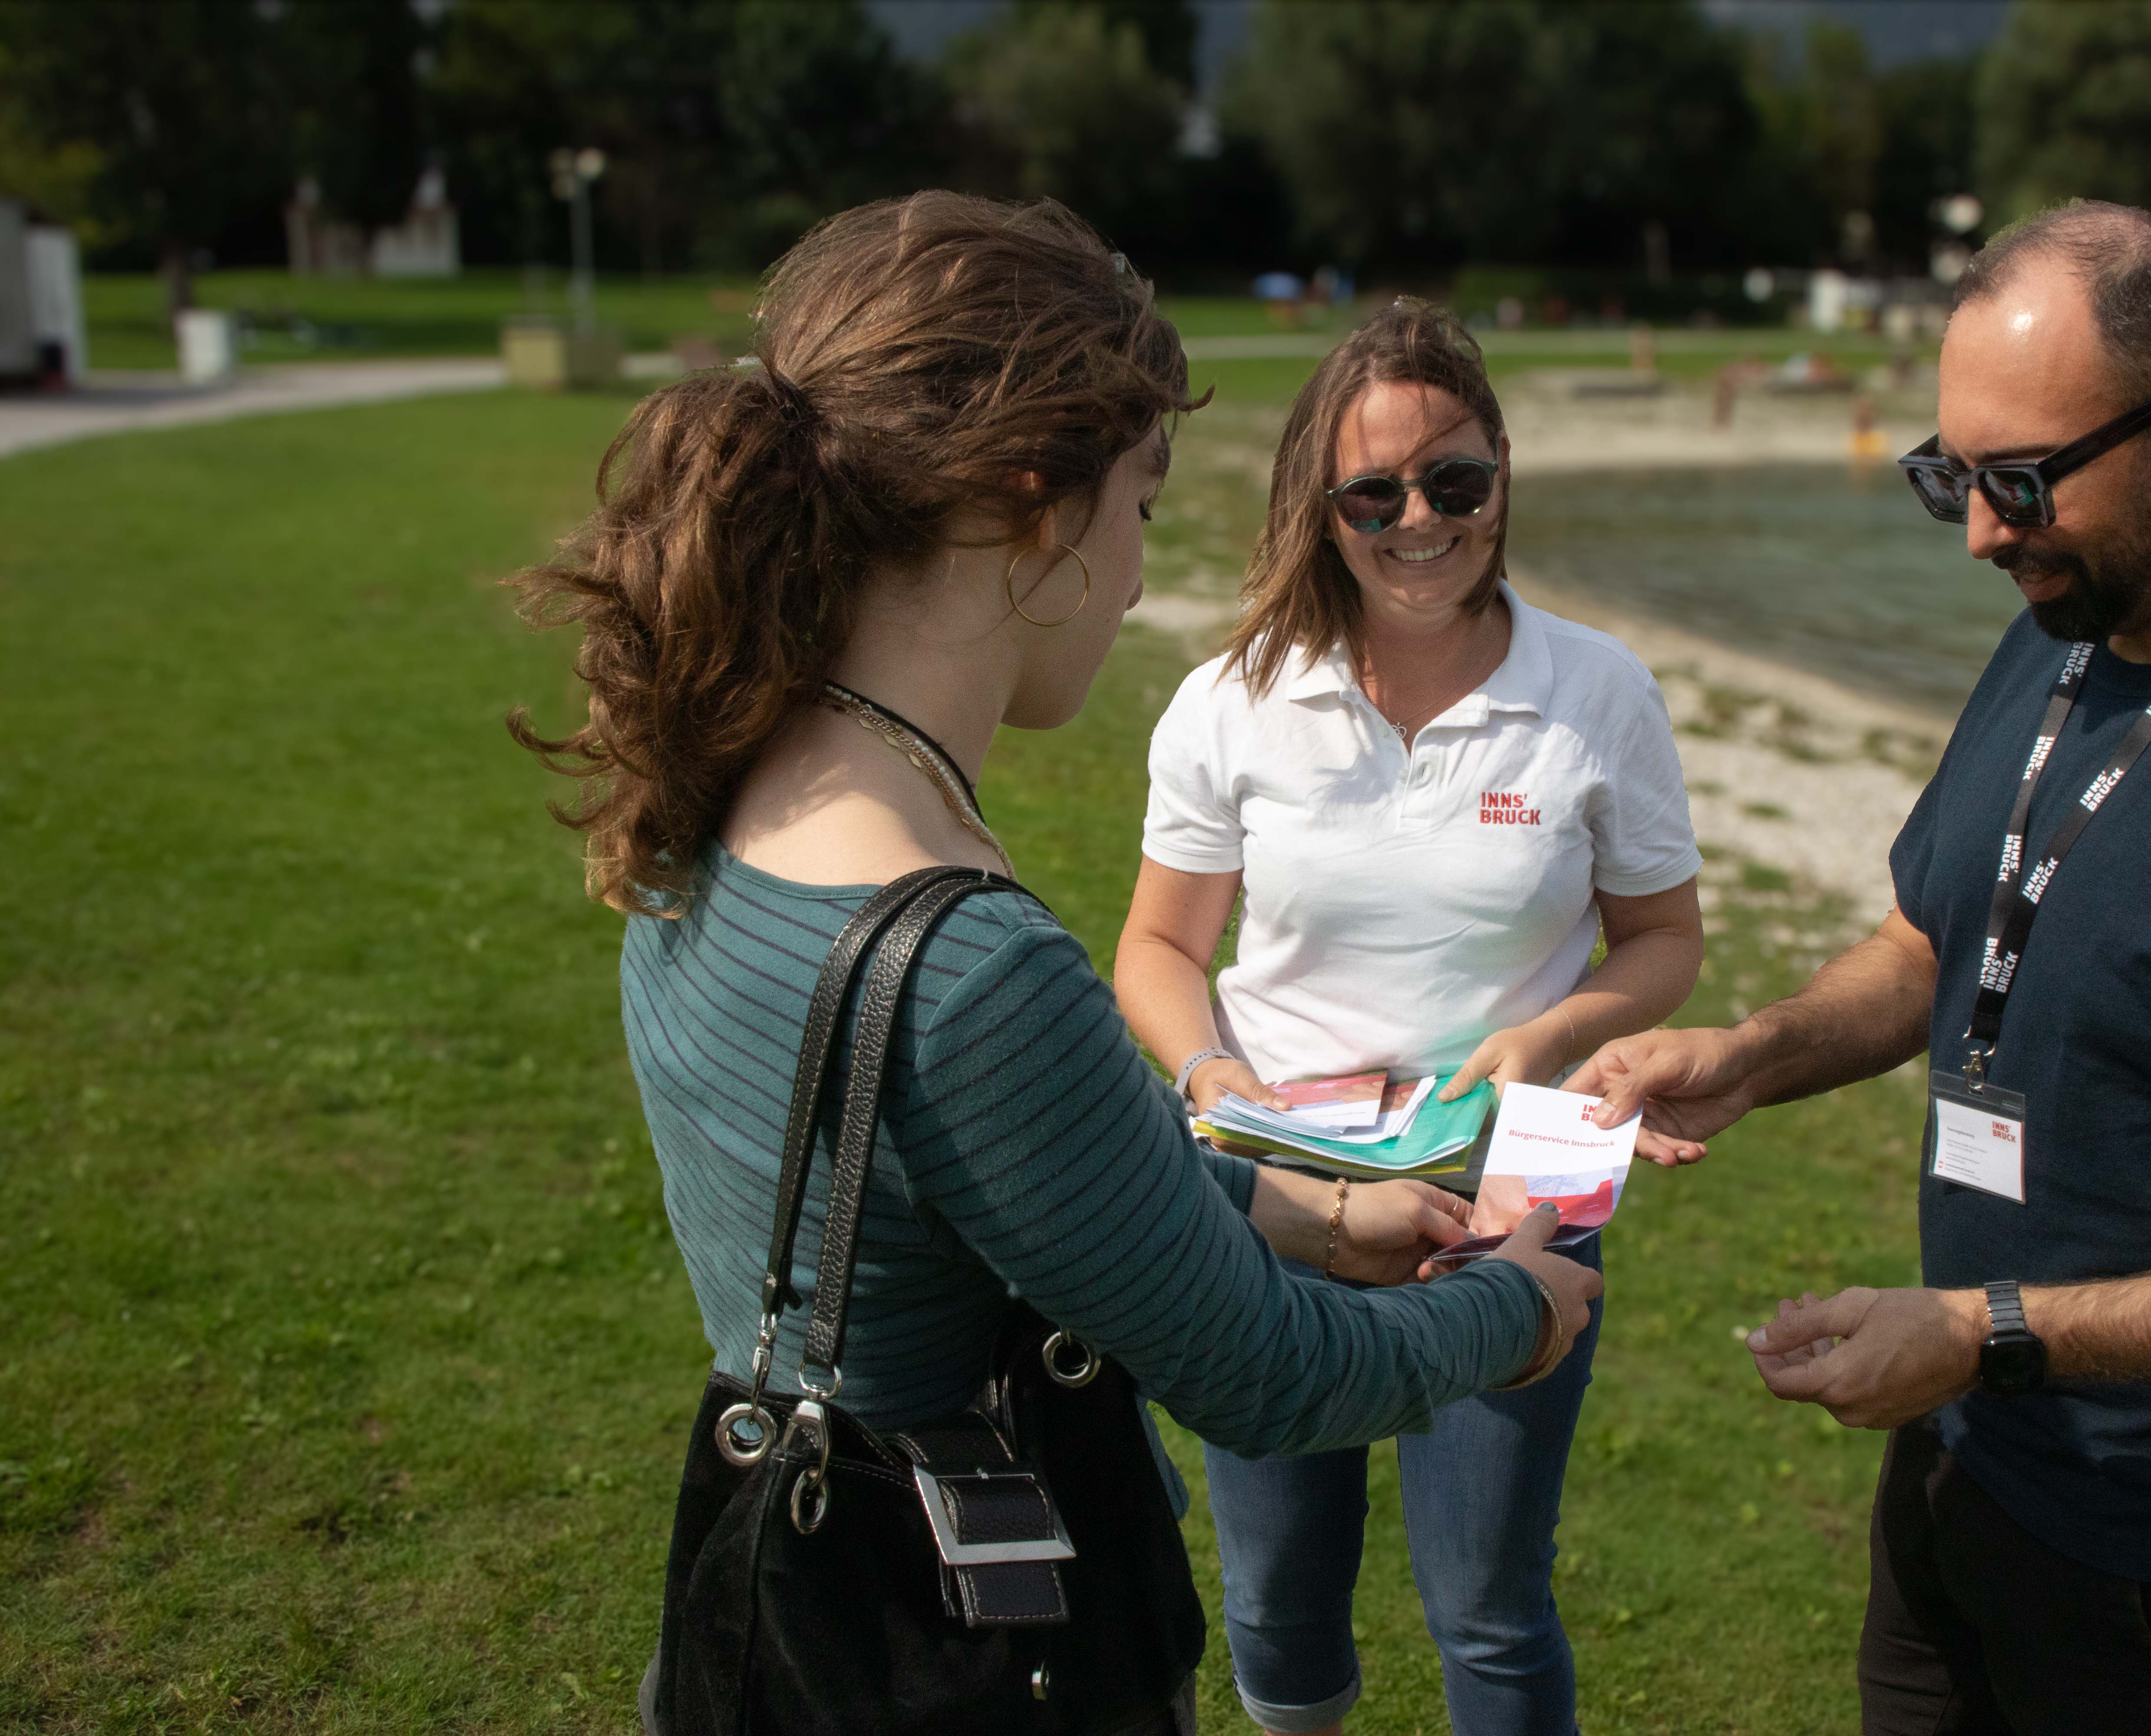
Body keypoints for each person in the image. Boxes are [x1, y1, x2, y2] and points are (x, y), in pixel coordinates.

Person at [507, 194, 1601, 1735]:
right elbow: (1268, 1377)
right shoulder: (970, 964)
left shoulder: (724, 787)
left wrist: (1318, 1211)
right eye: (1140, 508)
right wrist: (1522, 1311)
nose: (1144, 576)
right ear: (1034, 508)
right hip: (963, 1652)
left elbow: (1028, 1178)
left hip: (789, 1613)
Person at [1567, 202, 2151, 1735]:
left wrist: (1991, 1329)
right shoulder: (2067, 621)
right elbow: (1939, 937)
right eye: (1953, 480)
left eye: (2019, 482)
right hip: (1965, 1454)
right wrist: (1749, 1056)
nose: (1986, 532)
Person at [1114, 299, 1704, 1736]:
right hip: (1278, 1191)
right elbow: (1156, 946)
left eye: (1456, 480)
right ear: (1321, 508)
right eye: (1374, 493)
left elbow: (1666, 943)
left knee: (1491, 1605)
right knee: (1274, 1585)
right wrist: (1217, 1082)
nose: (1419, 519)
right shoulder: (1231, 701)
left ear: (1505, 469)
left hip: (1515, 1190)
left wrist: (1546, 1041)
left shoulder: (1599, 692)